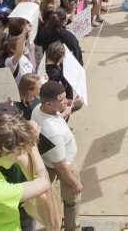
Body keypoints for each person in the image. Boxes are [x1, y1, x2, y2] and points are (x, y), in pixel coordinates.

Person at [32, 81, 85, 231]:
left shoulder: (38, 109)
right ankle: (72, 228)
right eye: (61, 100)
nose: (66, 101)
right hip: (63, 168)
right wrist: (75, 183)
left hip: (46, 163)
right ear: (49, 104)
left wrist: (62, 114)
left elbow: (53, 118)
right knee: (72, 203)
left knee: (53, 202)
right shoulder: (54, 133)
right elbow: (61, 166)